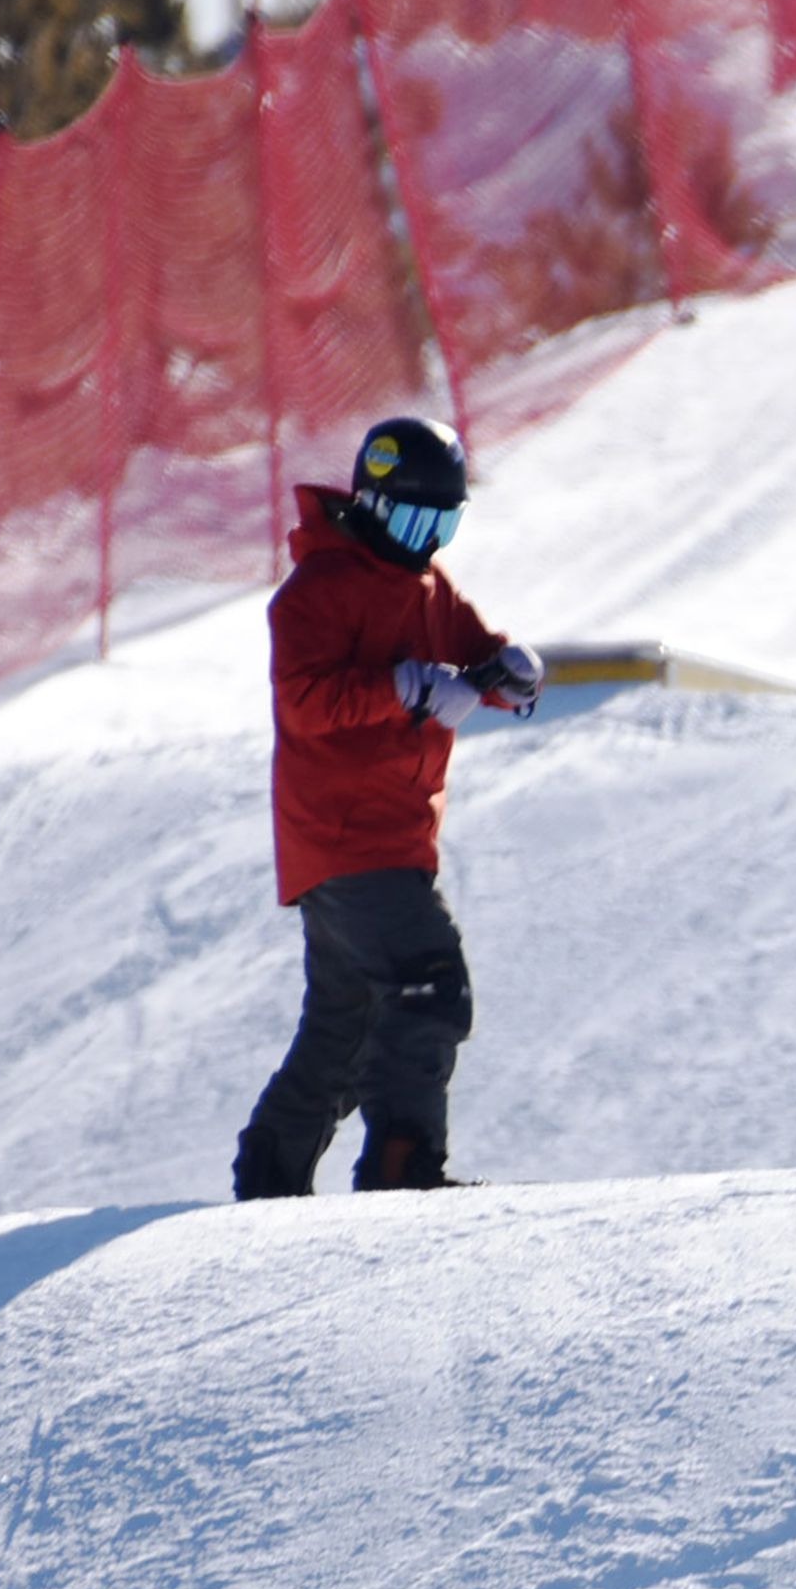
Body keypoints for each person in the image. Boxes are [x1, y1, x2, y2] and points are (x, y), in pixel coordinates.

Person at [231, 417, 542, 1199]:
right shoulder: (316, 591)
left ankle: (270, 1177)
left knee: (351, 1020)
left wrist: (509, 675)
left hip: (394, 840)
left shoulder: (430, 586)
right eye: (409, 521)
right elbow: (306, 701)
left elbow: (474, 656)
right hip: (344, 835)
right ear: (370, 504)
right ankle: (403, 1169)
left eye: (442, 524)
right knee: (428, 983)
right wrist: (406, 686)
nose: (423, 540)